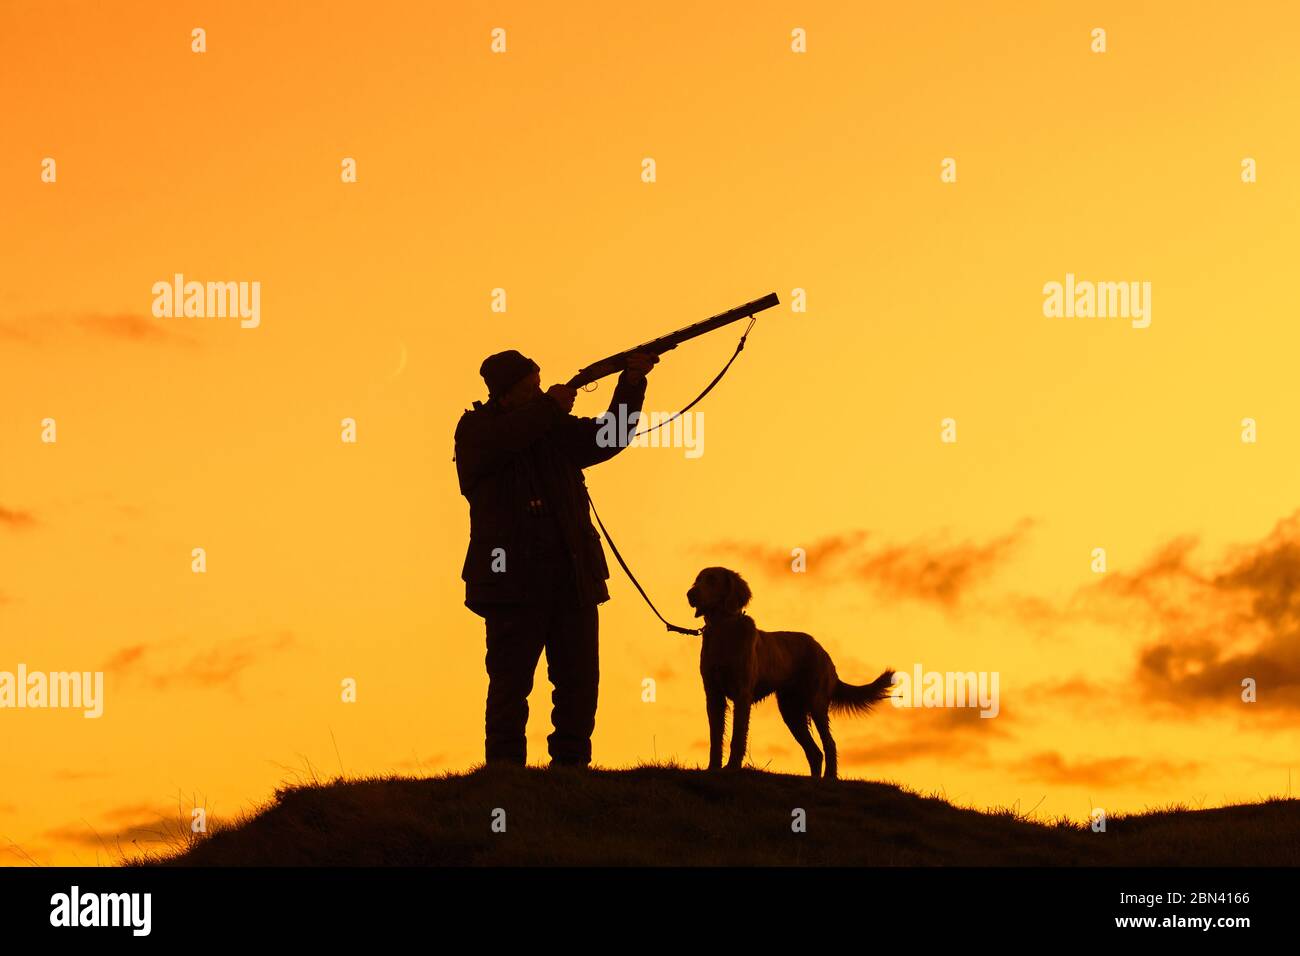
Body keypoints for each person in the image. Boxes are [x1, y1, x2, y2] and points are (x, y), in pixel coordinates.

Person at [454, 348, 658, 767]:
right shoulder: (476, 430)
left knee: (579, 683)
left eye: (540, 384)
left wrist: (631, 384)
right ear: (504, 395)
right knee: (511, 685)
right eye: (531, 387)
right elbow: (508, 439)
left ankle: (571, 770)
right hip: (511, 581)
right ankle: (505, 774)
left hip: (572, 575)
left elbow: (609, 437)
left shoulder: (549, 428)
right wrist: (550, 406)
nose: (542, 392)